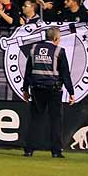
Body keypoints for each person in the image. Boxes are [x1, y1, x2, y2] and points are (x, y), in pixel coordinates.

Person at [21, 26, 75, 158]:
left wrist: (25, 89)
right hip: (53, 90)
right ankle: (56, 151)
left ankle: (29, 150)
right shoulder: (59, 51)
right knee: (55, 120)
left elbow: (28, 71)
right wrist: (71, 92)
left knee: (35, 119)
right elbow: (65, 74)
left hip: (37, 89)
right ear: (56, 38)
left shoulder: (33, 49)